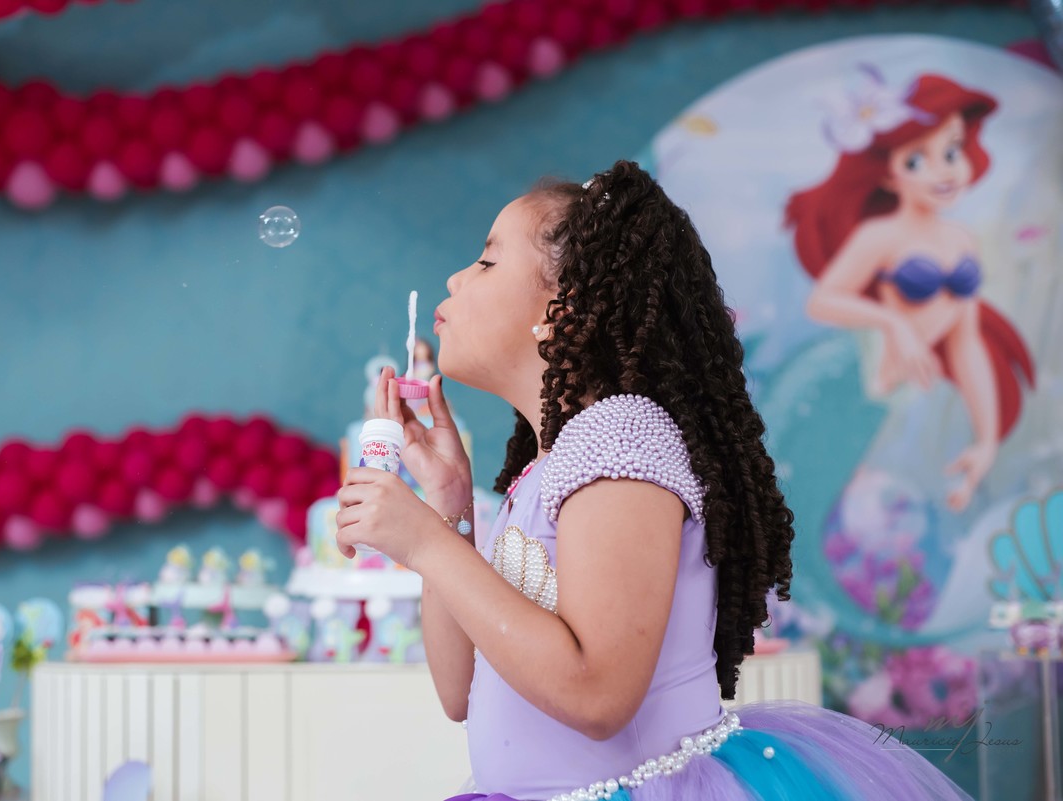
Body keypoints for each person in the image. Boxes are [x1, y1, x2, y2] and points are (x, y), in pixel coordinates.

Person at [335, 160, 972, 800]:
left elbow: (597, 695)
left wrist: (425, 543)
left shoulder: (621, 439)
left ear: (565, 306)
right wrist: (449, 506)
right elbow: (459, 691)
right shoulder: (551, 464)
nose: (454, 277)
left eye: (487, 262)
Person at [786, 70, 1034, 512]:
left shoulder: (960, 240)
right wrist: (894, 323)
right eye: (917, 161)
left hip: (912, 395)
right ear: (887, 175)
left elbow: (966, 342)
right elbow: (822, 301)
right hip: (859, 386)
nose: (944, 172)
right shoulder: (880, 236)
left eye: (952, 151)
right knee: (821, 499)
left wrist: (987, 439)